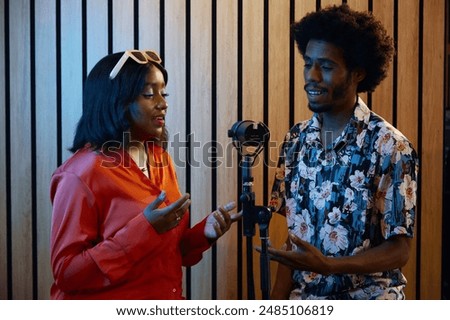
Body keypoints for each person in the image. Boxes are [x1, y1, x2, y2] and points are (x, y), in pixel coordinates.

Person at [49, 50, 240, 299]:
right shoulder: (79, 175)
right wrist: (144, 229)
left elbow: (166, 250)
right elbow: (67, 272)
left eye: (164, 92)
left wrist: (202, 234)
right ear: (116, 100)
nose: (163, 103)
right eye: (149, 94)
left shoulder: (160, 158)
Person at [268, 4, 419, 300]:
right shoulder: (295, 139)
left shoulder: (391, 146)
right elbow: (295, 237)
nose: (311, 76)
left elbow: (399, 249)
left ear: (358, 72)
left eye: (325, 66)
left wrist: (330, 266)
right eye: (307, 63)